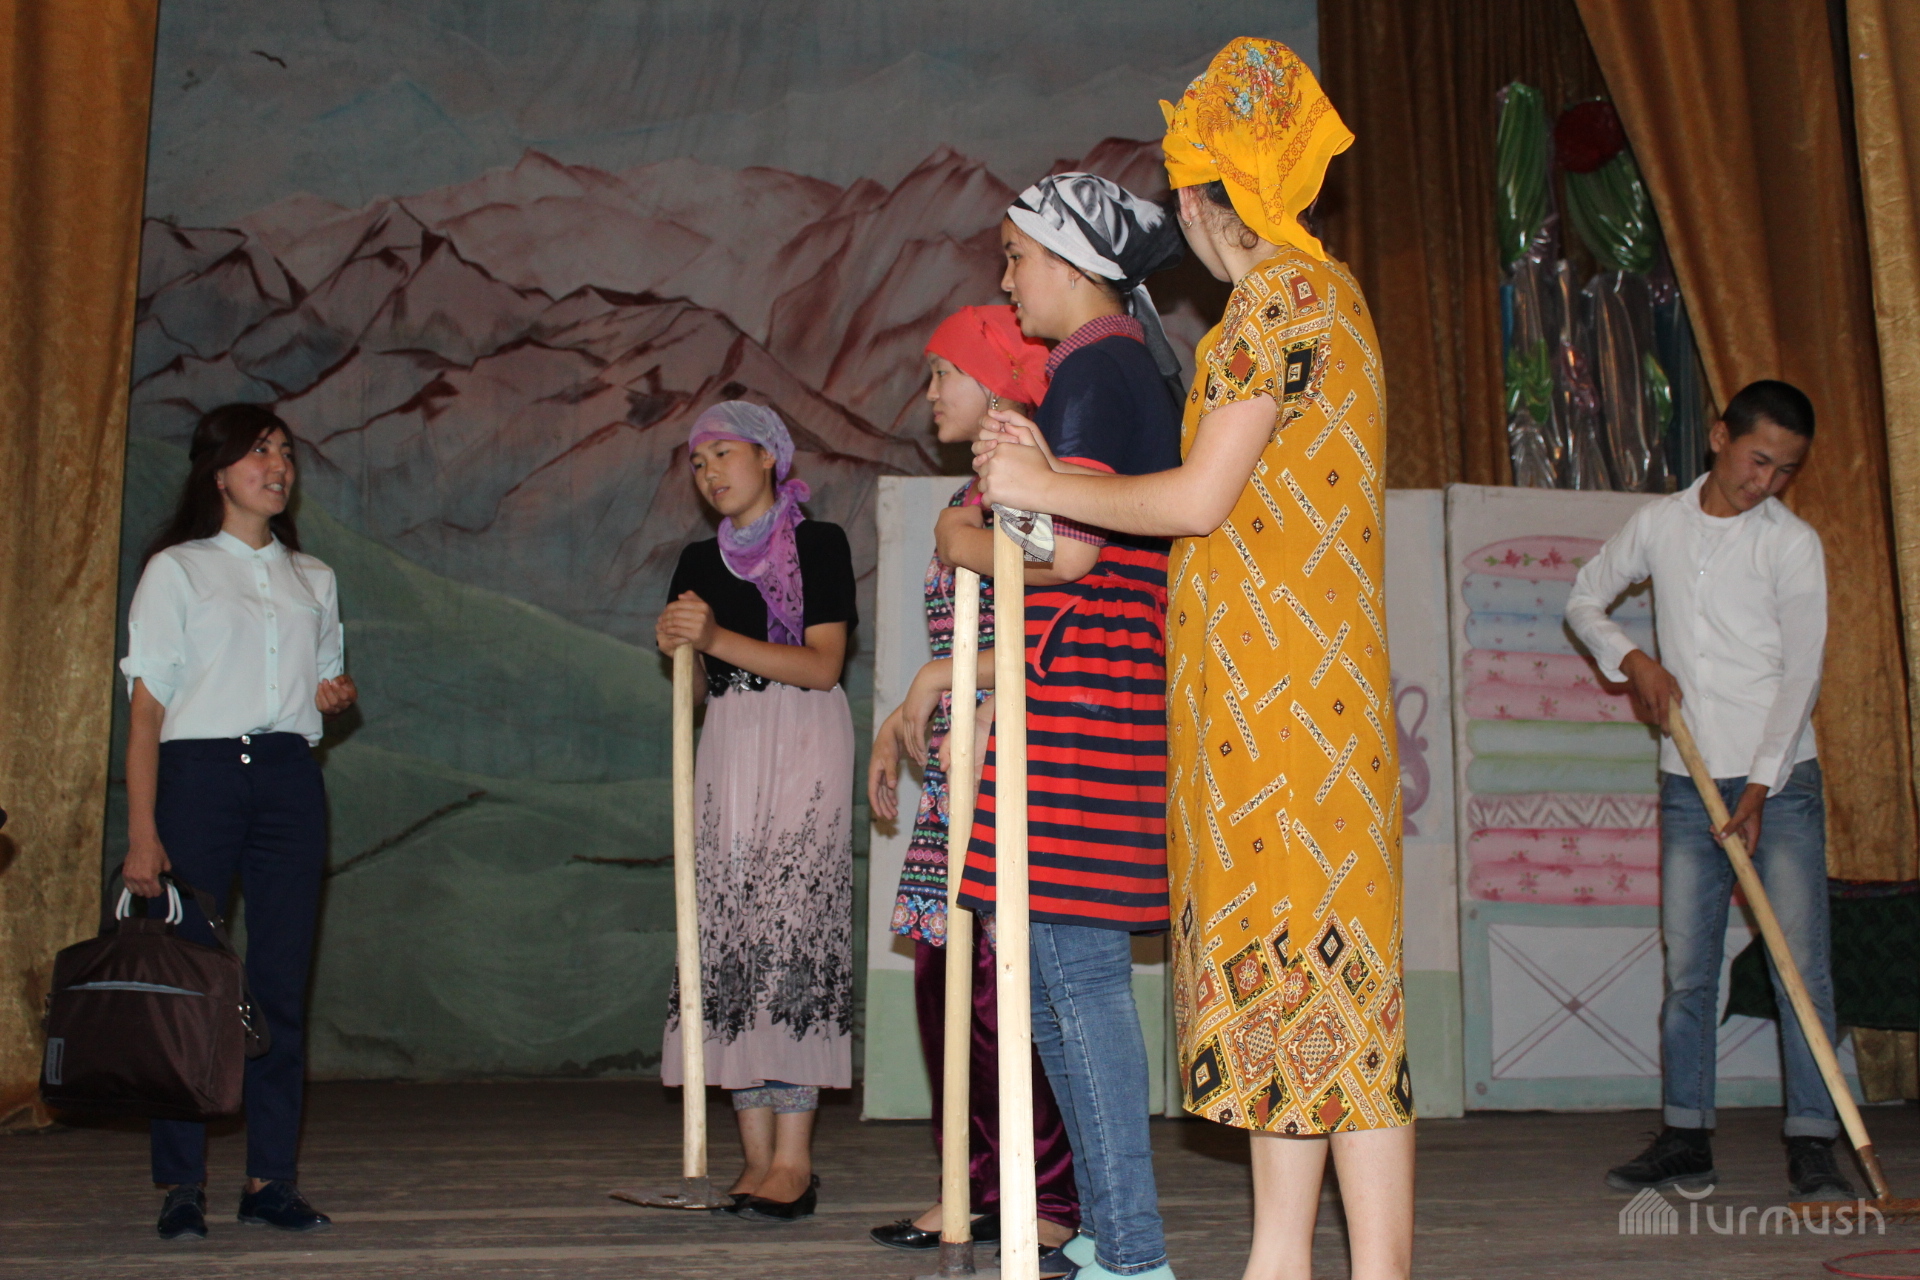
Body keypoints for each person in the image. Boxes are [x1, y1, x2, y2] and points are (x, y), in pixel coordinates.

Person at [975, 39, 1415, 1280]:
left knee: (1298, 997)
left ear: (1203, 187)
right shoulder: (1335, 296)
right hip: (1312, 715)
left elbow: (1198, 498)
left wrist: (1039, 482)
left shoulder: (1270, 304)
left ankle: (1293, 1259)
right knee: (1330, 1016)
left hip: (1276, 724)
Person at [953, 173, 1186, 1280]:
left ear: (1068, 261)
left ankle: (1131, 1249)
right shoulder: (1108, 364)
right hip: (1094, 679)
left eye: (1015, 257)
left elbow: (1073, 549)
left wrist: (979, 523)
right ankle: (1105, 1230)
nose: (1006, 280)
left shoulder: (1097, 365)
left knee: (1075, 973)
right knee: (1055, 974)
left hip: (1083, 685)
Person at [1565, 380, 1851, 1201]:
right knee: (1690, 967)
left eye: (1785, 470)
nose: (1767, 482)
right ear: (1720, 436)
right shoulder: (1659, 525)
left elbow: (1800, 677)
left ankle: (1814, 1140)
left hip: (1780, 783)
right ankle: (1687, 1136)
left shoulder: (1792, 545)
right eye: (1758, 460)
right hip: (1688, 781)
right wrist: (1633, 660)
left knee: (1800, 967)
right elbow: (1584, 600)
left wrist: (1761, 785)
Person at [866, 305, 1082, 1258]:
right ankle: (977, 1182)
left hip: (1013, 754)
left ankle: (1048, 1193)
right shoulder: (976, 487)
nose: (930, 394)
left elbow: (1056, 618)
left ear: (995, 378)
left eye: (942, 373)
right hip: (962, 758)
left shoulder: (1028, 476)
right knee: (946, 980)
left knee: (1001, 986)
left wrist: (942, 681)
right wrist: (907, 711)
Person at [120, 402, 359, 1241]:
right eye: (260, 451)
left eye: (286, 452)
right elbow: (146, 713)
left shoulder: (315, 577)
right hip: (199, 779)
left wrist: (335, 695)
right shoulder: (177, 570)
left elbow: (326, 684)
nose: (278, 466)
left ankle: (269, 1180)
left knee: (279, 984)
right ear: (218, 472)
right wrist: (142, 831)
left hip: (290, 779)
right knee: (188, 986)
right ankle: (182, 1183)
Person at [654, 401, 858, 1223]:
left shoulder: (820, 544)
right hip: (731, 739)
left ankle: (795, 1160)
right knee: (730, 935)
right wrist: (681, 652)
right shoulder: (695, 560)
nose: (711, 474)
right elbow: (698, 685)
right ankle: (753, 1155)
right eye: (698, 462)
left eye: (725, 454)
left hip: (804, 734)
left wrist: (712, 639)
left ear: (771, 456)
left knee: (791, 931)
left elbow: (823, 665)